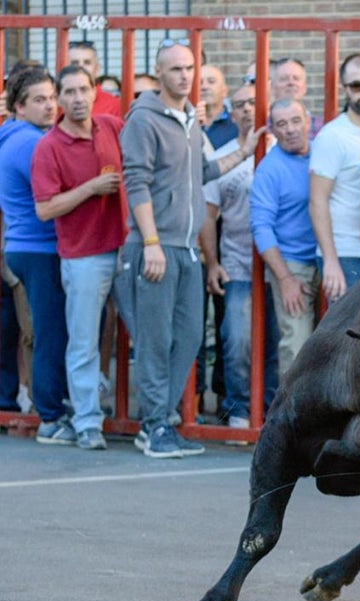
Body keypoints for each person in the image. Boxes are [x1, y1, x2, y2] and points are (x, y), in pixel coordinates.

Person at [121, 38, 263, 459]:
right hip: (155, 246)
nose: (185, 76)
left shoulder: (188, 118)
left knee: (185, 340)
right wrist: (150, 242)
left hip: (185, 249)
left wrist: (244, 151)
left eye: (189, 68)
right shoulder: (143, 120)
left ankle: (163, 423)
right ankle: (153, 426)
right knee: (155, 339)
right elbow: (136, 182)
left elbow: (202, 171)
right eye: (176, 69)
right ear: (160, 73)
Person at [30, 64, 128, 450]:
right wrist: (91, 188)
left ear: (94, 91)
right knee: (85, 342)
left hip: (126, 247)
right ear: (58, 99)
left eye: (82, 90)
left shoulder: (111, 127)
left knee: (150, 335)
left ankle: (157, 418)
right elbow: (45, 209)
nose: (76, 99)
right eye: (67, 92)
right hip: (83, 255)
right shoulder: (49, 146)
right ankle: (88, 422)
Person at [201, 82, 279, 432]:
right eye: (241, 105)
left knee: (279, 343)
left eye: (255, 102)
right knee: (237, 342)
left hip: (282, 268)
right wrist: (213, 263)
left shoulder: (287, 149)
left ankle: (273, 413)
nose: (249, 109)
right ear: (231, 114)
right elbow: (208, 213)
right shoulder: (225, 156)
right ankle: (239, 411)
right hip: (237, 264)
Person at [0, 66, 71, 444]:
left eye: (51, 98)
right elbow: (60, 189)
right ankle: (51, 416)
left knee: (43, 332)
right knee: (48, 334)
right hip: (39, 248)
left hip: (24, 247)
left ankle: (52, 405)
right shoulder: (30, 143)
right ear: (19, 106)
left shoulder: (13, 136)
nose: (50, 106)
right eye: (39, 100)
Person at [309, 53, 360, 302]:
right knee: (351, 335)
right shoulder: (332, 136)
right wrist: (331, 261)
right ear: (345, 89)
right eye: (356, 86)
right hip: (346, 253)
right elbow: (317, 201)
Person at [250, 97, 320, 376]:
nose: (290, 129)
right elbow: (261, 227)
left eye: (295, 121)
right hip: (293, 266)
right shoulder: (270, 169)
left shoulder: (322, 154)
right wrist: (285, 279)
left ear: (308, 122)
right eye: (281, 124)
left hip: (329, 259)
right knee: (297, 347)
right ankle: (296, 418)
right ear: (273, 131)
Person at [271, 57, 323, 139]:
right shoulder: (263, 129)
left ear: (305, 87)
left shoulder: (323, 128)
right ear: (273, 88)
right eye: (284, 79)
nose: (291, 82)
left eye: (296, 78)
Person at [66, 41, 121, 116]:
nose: (81, 67)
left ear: (97, 68)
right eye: (74, 63)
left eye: (87, 62)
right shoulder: (54, 103)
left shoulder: (115, 105)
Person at [199, 64, 238, 149]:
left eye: (211, 81)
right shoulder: (184, 124)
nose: (204, 87)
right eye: (199, 82)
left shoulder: (237, 123)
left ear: (224, 91)